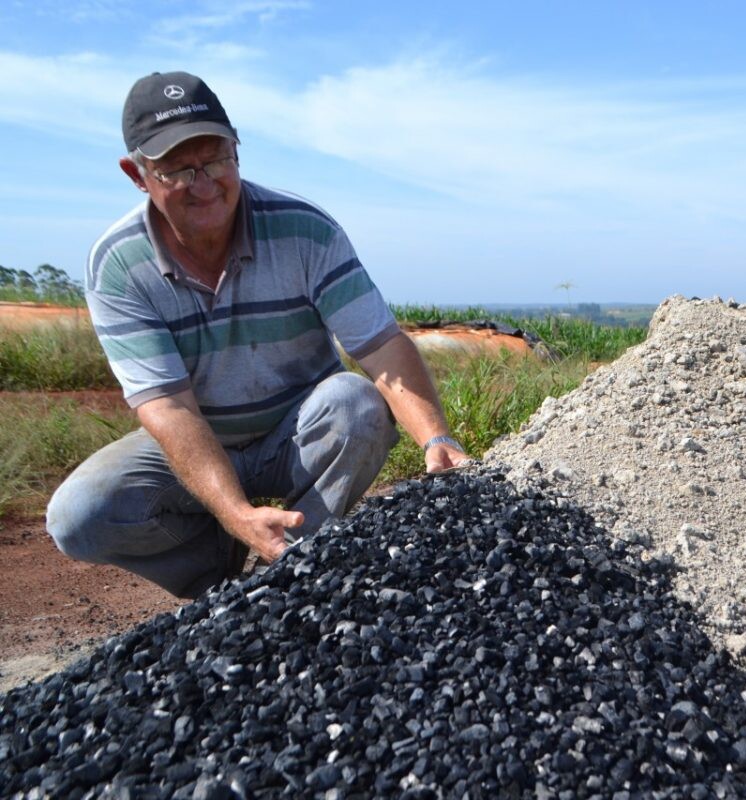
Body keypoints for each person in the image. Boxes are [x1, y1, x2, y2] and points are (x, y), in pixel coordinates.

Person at [46, 71, 469, 599]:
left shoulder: (303, 229)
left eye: (217, 160)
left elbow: (380, 343)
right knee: (78, 516)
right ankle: (216, 567)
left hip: (296, 433)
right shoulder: (118, 264)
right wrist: (233, 512)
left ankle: (295, 568)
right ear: (137, 173)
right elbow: (168, 408)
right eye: (178, 169)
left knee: (355, 402)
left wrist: (437, 438)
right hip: (199, 437)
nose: (205, 184)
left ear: (237, 149)